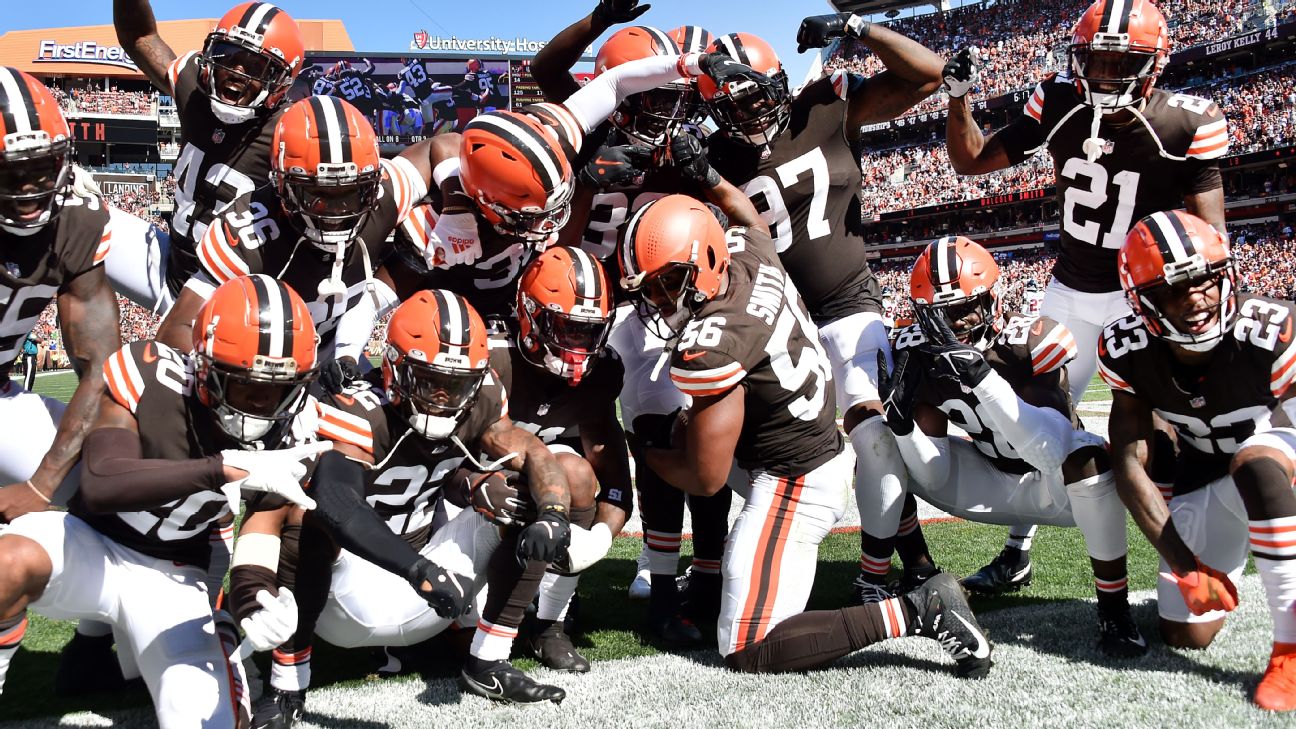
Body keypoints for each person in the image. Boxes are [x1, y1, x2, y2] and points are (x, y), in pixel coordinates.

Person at [625, 194, 992, 677]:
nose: (658, 301)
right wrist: (712, 182)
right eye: (649, 287)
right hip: (802, 445)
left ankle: (919, 608)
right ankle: (708, 575)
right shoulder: (750, 252)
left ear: (708, 261)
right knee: (680, 429)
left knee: (747, 646)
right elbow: (748, 215)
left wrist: (645, 451)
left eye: (667, 283)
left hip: (795, 481)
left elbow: (705, 476)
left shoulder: (714, 342)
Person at [943, 0, 1228, 593]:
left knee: (1161, 430)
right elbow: (969, 161)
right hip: (1069, 290)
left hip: (1142, 300)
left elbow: (1211, 239)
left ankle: (1181, 561)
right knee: (1034, 421)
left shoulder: (1185, 123)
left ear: (1155, 63)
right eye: (1094, 61)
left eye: (1118, 63)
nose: (1103, 76)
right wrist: (958, 97)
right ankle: (1018, 549)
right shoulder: (1059, 103)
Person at [234, 289, 580, 723]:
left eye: (456, 385)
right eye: (430, 380)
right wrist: (416, 569)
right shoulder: (358, 411)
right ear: (394, 366)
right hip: (349, 595)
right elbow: (337, 504)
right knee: (301, 509)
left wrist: (553, 512)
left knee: (522, 497)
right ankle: (288, 685)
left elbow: (530, 449)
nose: (442, 397)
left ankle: (489, 661)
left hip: (433, 584)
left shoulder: (483, 400)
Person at [0, 275, 326, 725]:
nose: (261, 407)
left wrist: (254, 599)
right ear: (205, 368)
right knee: (7, 561)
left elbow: (262, 526)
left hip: (173, 578)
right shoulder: (152, 373)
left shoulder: (298, 423)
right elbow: (100, 479)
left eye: (277, 391)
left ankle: (221, 634)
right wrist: (220, 468)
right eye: (245, 387)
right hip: (94, 547)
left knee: (203, 718)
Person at [710, 18, 946, 603]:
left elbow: (928, 74)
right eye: (730, 107)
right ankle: (909, 558)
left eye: (755, 98)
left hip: (846, 301)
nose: (746, 116)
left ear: (781, 84)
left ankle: (882, 572)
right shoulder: (715, 152)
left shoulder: (824, 107)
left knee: (871, 433)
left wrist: (857, 28)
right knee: (754, 454)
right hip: (776, 316)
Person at [879, 236, 1144, 657]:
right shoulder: (919, 352)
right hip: (986, 482)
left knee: (1089, 462)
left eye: (968, 306)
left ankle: (1114, 609)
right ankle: (919, 573)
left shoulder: (1033, 341)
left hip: (1056, 488)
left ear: (994, 297)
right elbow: (933, 474)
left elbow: (1052, 450)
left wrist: (982, 378)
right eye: (944, 312)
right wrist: (902, 426)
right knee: (882, 450)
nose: (959, 322)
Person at [1100, 210, 1296, 710]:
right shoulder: (1126, 350)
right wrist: (1186, 567)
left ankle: (1289, 652)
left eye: (1203, 280)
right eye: (1172, 289)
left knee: (1255, 463)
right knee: (1185, 634)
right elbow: (1127, 463)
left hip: (1280, 465)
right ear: (1142, 302)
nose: (1195, 299)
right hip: (1205, 472)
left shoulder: (1270, 330)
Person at [110, 0, 306, 313]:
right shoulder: (194, 85)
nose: (236, 72)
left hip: (232, 303)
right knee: (76, 220)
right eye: (229, 55)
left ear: (280, 82)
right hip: (168, 268)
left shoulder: (290, 132)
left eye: (255, 66)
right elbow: (139, 37)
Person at [495, 246, 630, 671]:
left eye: (588, 332)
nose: (578, 346)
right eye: (567, 329)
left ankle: (550, 624)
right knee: (456, 639)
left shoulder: (602, 372)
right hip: (477, 485)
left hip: (546, 490)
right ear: (530, 314)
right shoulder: (495, 359)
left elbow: (612, 472)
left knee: (575, 473)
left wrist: (600, 539)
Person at [0, 67, 121, 538]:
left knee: (120, 484)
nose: (30, 188)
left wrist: (43, 483)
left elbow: (99, 368)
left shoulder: (75, 220)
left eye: (41, 167)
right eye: (10, 171)